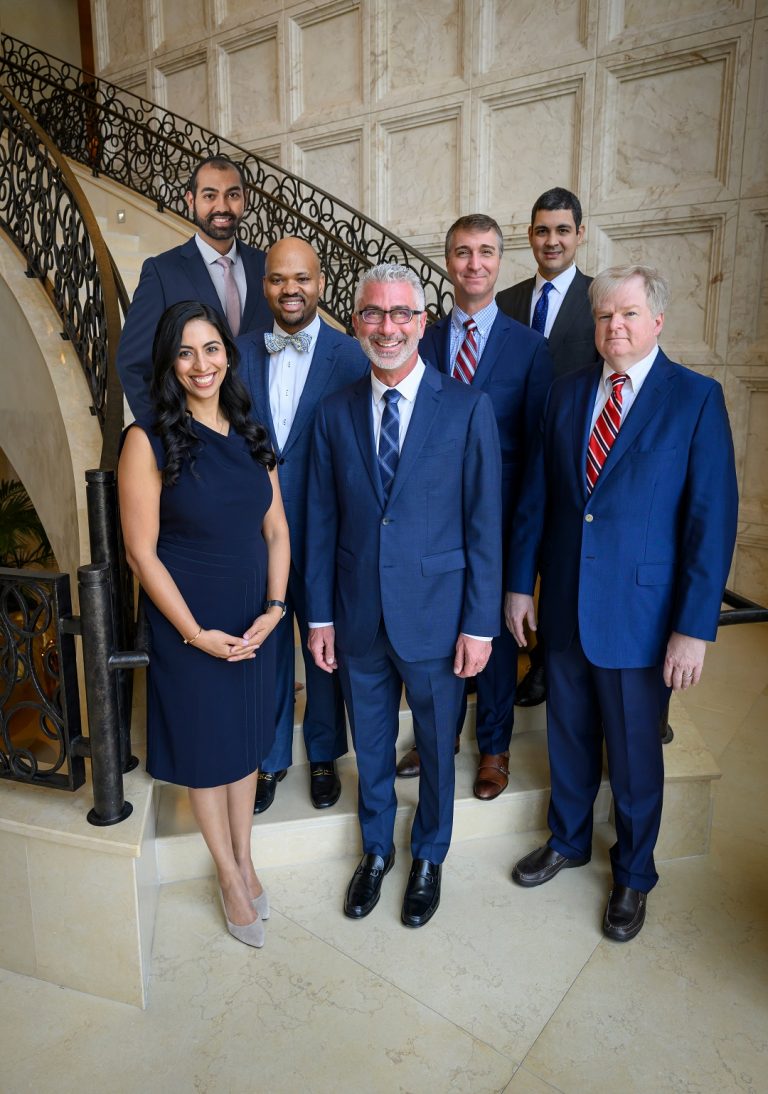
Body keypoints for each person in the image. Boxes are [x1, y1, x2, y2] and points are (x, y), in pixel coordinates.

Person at [506, 265, 738, 942]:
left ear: (657, 320)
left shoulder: (695, 398)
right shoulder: (566, 391)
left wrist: (693, 629)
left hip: (642, 616)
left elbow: (710, 522)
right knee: (569, 735)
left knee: (635, 756)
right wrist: (520, 583)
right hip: (565, 604)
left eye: (630, 314)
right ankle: (568, 840)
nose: (615, 327)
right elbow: (538, 498)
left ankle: (634, 874)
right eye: (605, 315)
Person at [305, 263, 502, 927]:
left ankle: (429, 854)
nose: (386, 327)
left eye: (400, 314)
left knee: (439, 745)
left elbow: (484, 525)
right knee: (371, 744)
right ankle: (377, 850)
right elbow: (321, 520)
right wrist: (320, 615)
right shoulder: (334, 412)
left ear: (422, 322)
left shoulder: (467, 407)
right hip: (358, 615)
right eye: (373, 313)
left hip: (438, 618)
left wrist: (479, 624)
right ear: (355, 322)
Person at [118, 301, 290, 948]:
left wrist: (275, 610)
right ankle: (226, 873)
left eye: (211, 348)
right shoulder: (147, 440)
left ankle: (246, 857)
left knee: (243, 746)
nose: (201, 364)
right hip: (188, 622)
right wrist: (193, 634)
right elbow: (140, 554)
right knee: (206, 751)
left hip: (252, 619)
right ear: (169, 362)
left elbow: (277, 530)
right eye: (185, 352)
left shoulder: (250, 429)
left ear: (227, 354)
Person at [398, 214, 553, 801]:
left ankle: (494, 746)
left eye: (486, 252)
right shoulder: (422, 338)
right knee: (435, 632)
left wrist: (524, 554)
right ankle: (437, 735)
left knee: (496, 637)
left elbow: (537, 457)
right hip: (431, 520)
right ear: (448, 261)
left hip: (500, 522)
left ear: (500, 261)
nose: (474, 263)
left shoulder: (530, 349)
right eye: (463, 252)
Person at [237, 237, 369, 814]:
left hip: (325, 532)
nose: (290, 289)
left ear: (321, 283)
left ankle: (323, 754)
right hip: (256, 533)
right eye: (277, 279)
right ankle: (269, 758)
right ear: (264, 285)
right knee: (265, 646)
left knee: (324, 648)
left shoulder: (354, 356)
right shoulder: (236, 353)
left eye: (302, 278)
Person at [496, 187, 600, 708]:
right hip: (510, 458)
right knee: (508, 562)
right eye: (542, 230)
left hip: (570, 463)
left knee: (559, 569)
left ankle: (543, 663)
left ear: (580, 233)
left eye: (562, 230)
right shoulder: (506, 301)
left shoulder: (600, 300)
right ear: (530, 236)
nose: (552, 240)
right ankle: (504, 649)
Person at [117, 156, 272, 421]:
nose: (222, 206)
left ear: (245, 200)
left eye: (232, 195)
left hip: (259, 431)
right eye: (210, 196)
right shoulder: (162, 272)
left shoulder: (267, 267)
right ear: (191, 200)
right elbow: (132, 364)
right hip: (191, 432)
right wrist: (166, 432)